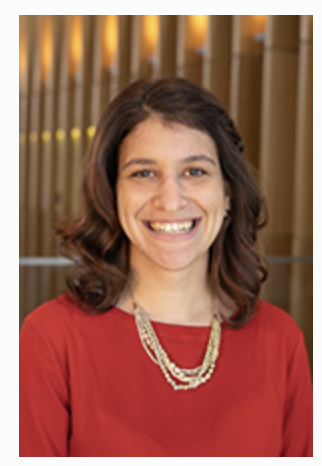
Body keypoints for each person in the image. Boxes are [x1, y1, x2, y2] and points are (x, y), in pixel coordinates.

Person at [19, 77, 313, 457]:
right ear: (112, 192)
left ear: (227, 194)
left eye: (195, 171)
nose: (170, 201)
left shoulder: (280, 340)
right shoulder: (52, 339)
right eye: (143, 173)